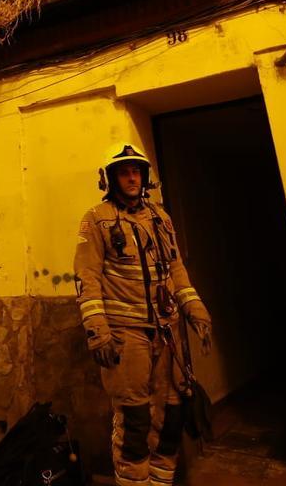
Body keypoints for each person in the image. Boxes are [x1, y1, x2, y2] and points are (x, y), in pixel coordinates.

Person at [73, 143, 213, 486]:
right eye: (124, 172)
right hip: (126, 336)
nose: (132, 177)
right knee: (135, 420)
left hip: (167, 333)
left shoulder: (160, 218)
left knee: (172, 417)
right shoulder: (96, 219)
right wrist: (98, 330)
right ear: (111, 179)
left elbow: (175, 268)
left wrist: (196, 310)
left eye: (136, 171)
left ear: (145, 177)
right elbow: (86, 276)